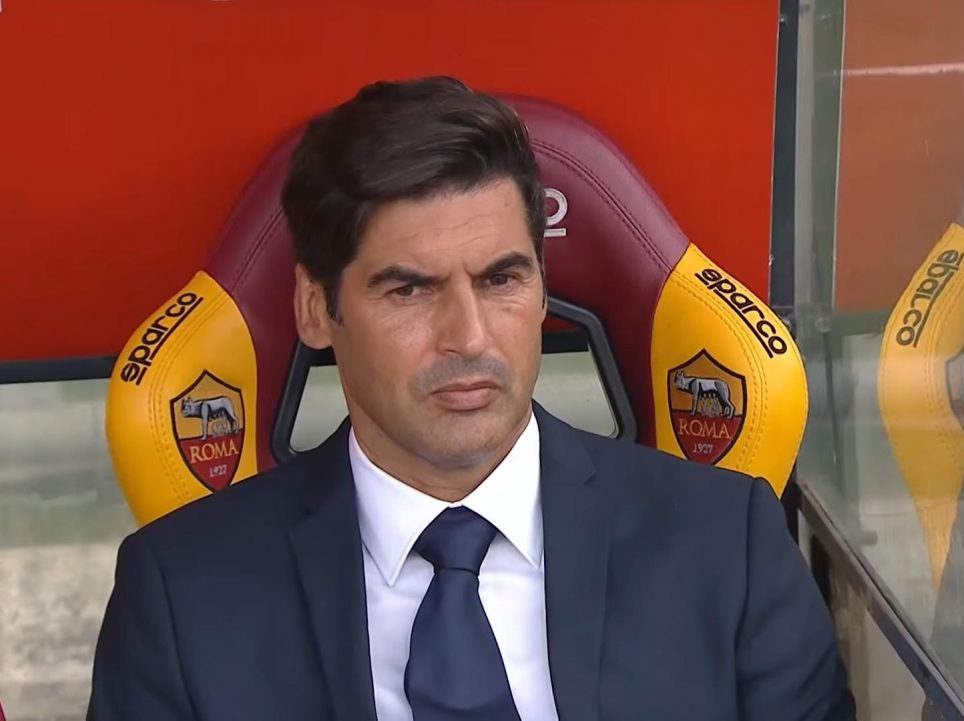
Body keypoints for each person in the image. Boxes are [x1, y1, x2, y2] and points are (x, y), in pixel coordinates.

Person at [88, 76, 855, 721]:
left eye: (501, 279)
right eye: (409, 289)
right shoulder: (181, 591)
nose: (469, 335)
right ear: (316, 308)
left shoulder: (728, 545)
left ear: (542, 287)